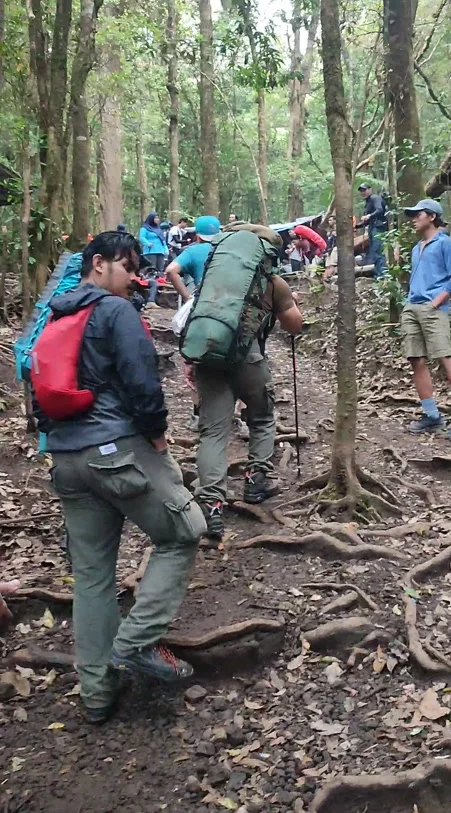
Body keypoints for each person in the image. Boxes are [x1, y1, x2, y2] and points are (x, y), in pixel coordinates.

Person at [34, 230, 205, 723]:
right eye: (125, 266)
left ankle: (96, 694)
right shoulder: (116, 313)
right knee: (184, 530)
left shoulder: (55, 315)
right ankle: (135, 643)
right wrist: (157, 438)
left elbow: (40, 387)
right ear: (97, 263)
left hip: (66, 459)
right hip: (117, 451)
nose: (133, 277)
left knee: (91, 577)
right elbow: (142, 384)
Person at [186, 223, 303, 541]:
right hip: (249, 359)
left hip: (208, 358)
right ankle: (255, 481)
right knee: (263, 416)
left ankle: (211, 506)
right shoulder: (272, 282)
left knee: (213, 432)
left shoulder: (215, 276)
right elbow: (295, 326)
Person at [401, 199, 451, 439]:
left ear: (432, 216)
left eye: (418, 214)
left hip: (433, 307)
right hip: (412, 306)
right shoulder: (416, 248)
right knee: (416, 359)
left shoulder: (445, 244)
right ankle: (431, 415)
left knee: (445, 357)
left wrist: (436, 302)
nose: (413, 219)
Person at [166, 216, 222, 430]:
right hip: (232, 310)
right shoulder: (226, 250)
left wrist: (188, 297)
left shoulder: (192, 251)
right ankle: (241, 417)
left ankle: (199, 416)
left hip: (202, 310)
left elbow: (171, 270)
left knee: (195, 359)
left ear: (197, 235)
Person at [358, 183, 387, 278]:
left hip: (378, 227)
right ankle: (378, 273)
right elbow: (367, 220)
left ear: (370, 190)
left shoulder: (375, 198)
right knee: (374, 252)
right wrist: (357, 226)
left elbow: (379, 210)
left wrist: (369, 216)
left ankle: (382, 275)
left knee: (378, 251)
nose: (363, 192)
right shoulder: (367, 202)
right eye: (361, 191)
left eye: (364, 190)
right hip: (372, 227)